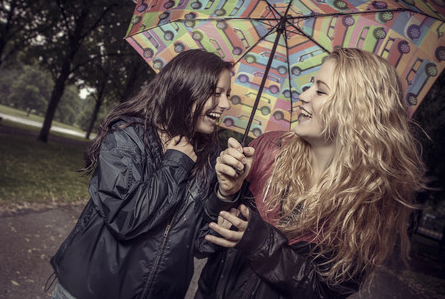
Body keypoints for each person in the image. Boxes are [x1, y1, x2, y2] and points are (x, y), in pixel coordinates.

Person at [195, 48, 427, 298]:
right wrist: (226, 192)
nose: (304, 96)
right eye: (310, 86)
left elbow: (325, 292)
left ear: (355, 110)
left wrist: (262, 243)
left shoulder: (367, 204)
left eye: (320, 90)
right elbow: (203, 240)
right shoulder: (266, 149)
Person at [47, 49, 233, 299]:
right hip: (90, 290)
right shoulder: (127, 136)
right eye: (216, 93)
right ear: (185, 87)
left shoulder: (211, 157)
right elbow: (126, 219)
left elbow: (200, 244)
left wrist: (226, 192)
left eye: (228, 95)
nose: (226, 104)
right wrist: (176, 163)